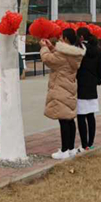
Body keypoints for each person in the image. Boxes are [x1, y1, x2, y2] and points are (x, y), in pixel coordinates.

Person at [41, 29, 85, 160]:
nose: (59, 38)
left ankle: (64, 150)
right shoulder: (74, 53)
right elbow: (60, 57)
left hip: (60, 89)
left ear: (65, 39)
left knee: (63, 121)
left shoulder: (63, 54)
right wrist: (51, 47)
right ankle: (71, 149)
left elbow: (47, 59)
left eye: (61, 37)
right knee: (69, 120)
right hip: (69, 89)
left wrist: (44, 48)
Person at [75, 27, 101, 152]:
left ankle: (84, 144)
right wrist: (97, 79)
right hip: (92, 86)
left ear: (81, 37)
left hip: (81, 84)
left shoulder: (79, 49)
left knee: (81, 115)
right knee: (90, 115)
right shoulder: (97, 49)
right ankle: (90, 143)